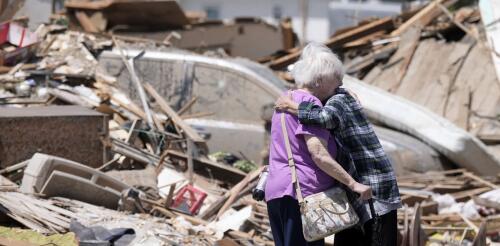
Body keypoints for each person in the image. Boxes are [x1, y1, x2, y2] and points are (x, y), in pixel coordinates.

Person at [275, 42, 402, 246]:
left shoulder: (338, 99)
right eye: (336, 77)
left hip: (373, 186)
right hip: (356, 189)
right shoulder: (333, 97)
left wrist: (295, 107)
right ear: (320, 80)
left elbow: (326, 118)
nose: (341, 82)